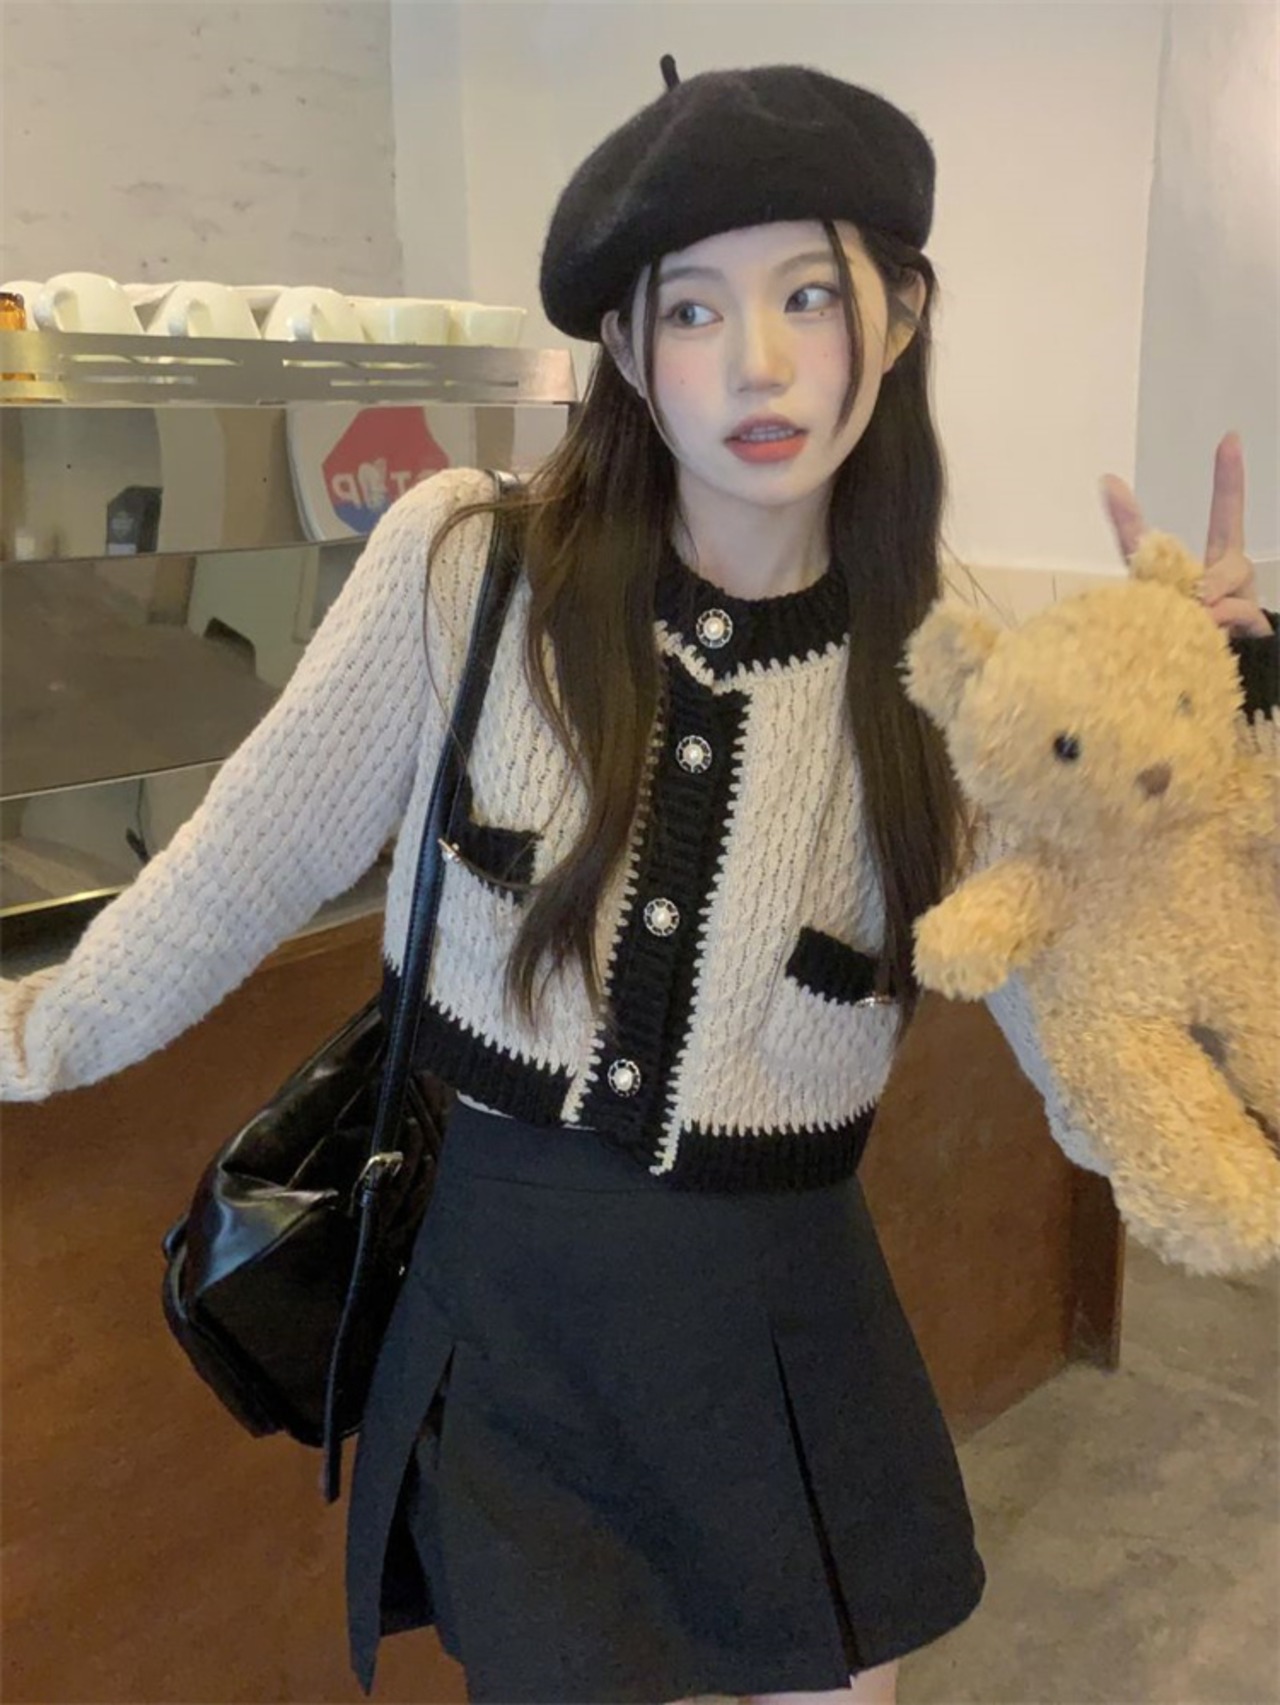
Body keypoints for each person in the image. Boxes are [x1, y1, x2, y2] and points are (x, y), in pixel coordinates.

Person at [3, 57, 1276, 1705]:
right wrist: (28, 1037)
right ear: (622, 343)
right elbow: (231, 873)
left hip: (787, 1321)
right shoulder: (467, 569)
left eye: (808, 294)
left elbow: (1104, 1083)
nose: (758, 363)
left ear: (897, 317)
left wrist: (1219, 757)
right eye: (692, 309)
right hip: (518, 1325)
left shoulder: (959, 677)